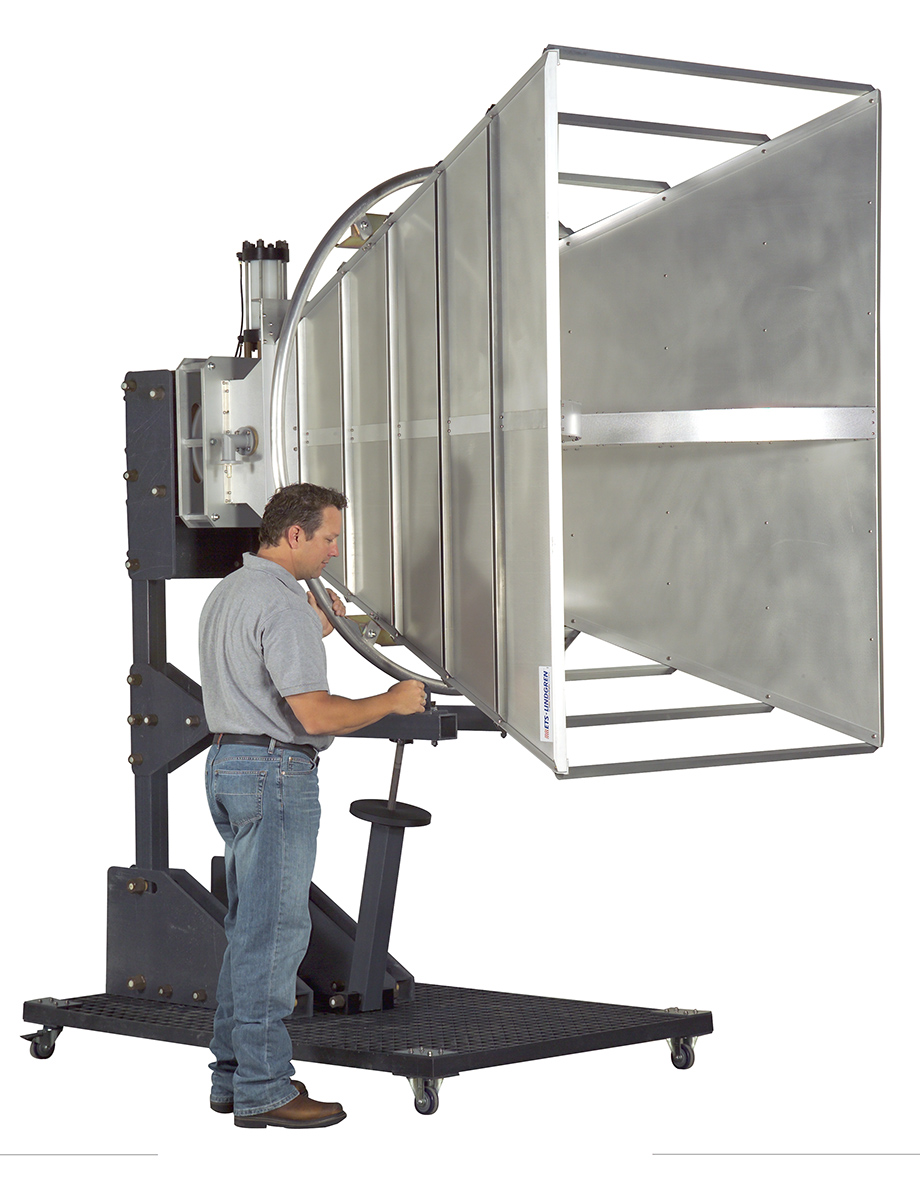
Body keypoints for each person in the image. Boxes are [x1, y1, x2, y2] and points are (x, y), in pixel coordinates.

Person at [199, 482, 426, 1129]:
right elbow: (316, 714)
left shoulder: (230, 592)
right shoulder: (283, 605)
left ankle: (232, 1076)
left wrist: (319, 629)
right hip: (275, 772)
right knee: (274, 933)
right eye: (328, 538)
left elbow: (262, 669)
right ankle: (266, 1089)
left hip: (228, 764)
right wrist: (393, 700)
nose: (333, 552)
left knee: (249, 928)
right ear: (294, 534)